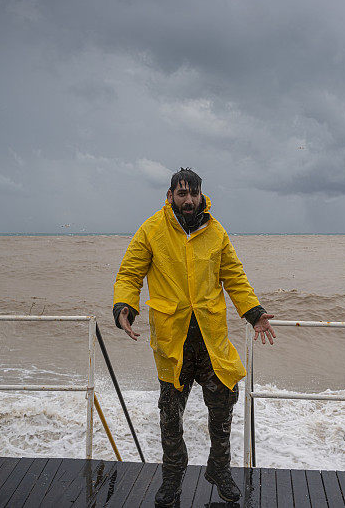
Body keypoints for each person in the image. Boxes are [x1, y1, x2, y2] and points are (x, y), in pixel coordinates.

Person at [113, 167, 276, 506]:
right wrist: (124, 307)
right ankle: (172, 478)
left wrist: (255, 313)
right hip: (172, 342)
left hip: (210, 338)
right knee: (170, 416)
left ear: (202, 196)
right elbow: (130, 272)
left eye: (193, 193)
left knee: (224, 404)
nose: (188, 200)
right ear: (170, 196)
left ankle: (218, 468)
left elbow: (234, 277)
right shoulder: (152, 230)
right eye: (181, 193)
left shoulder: (216, 232)